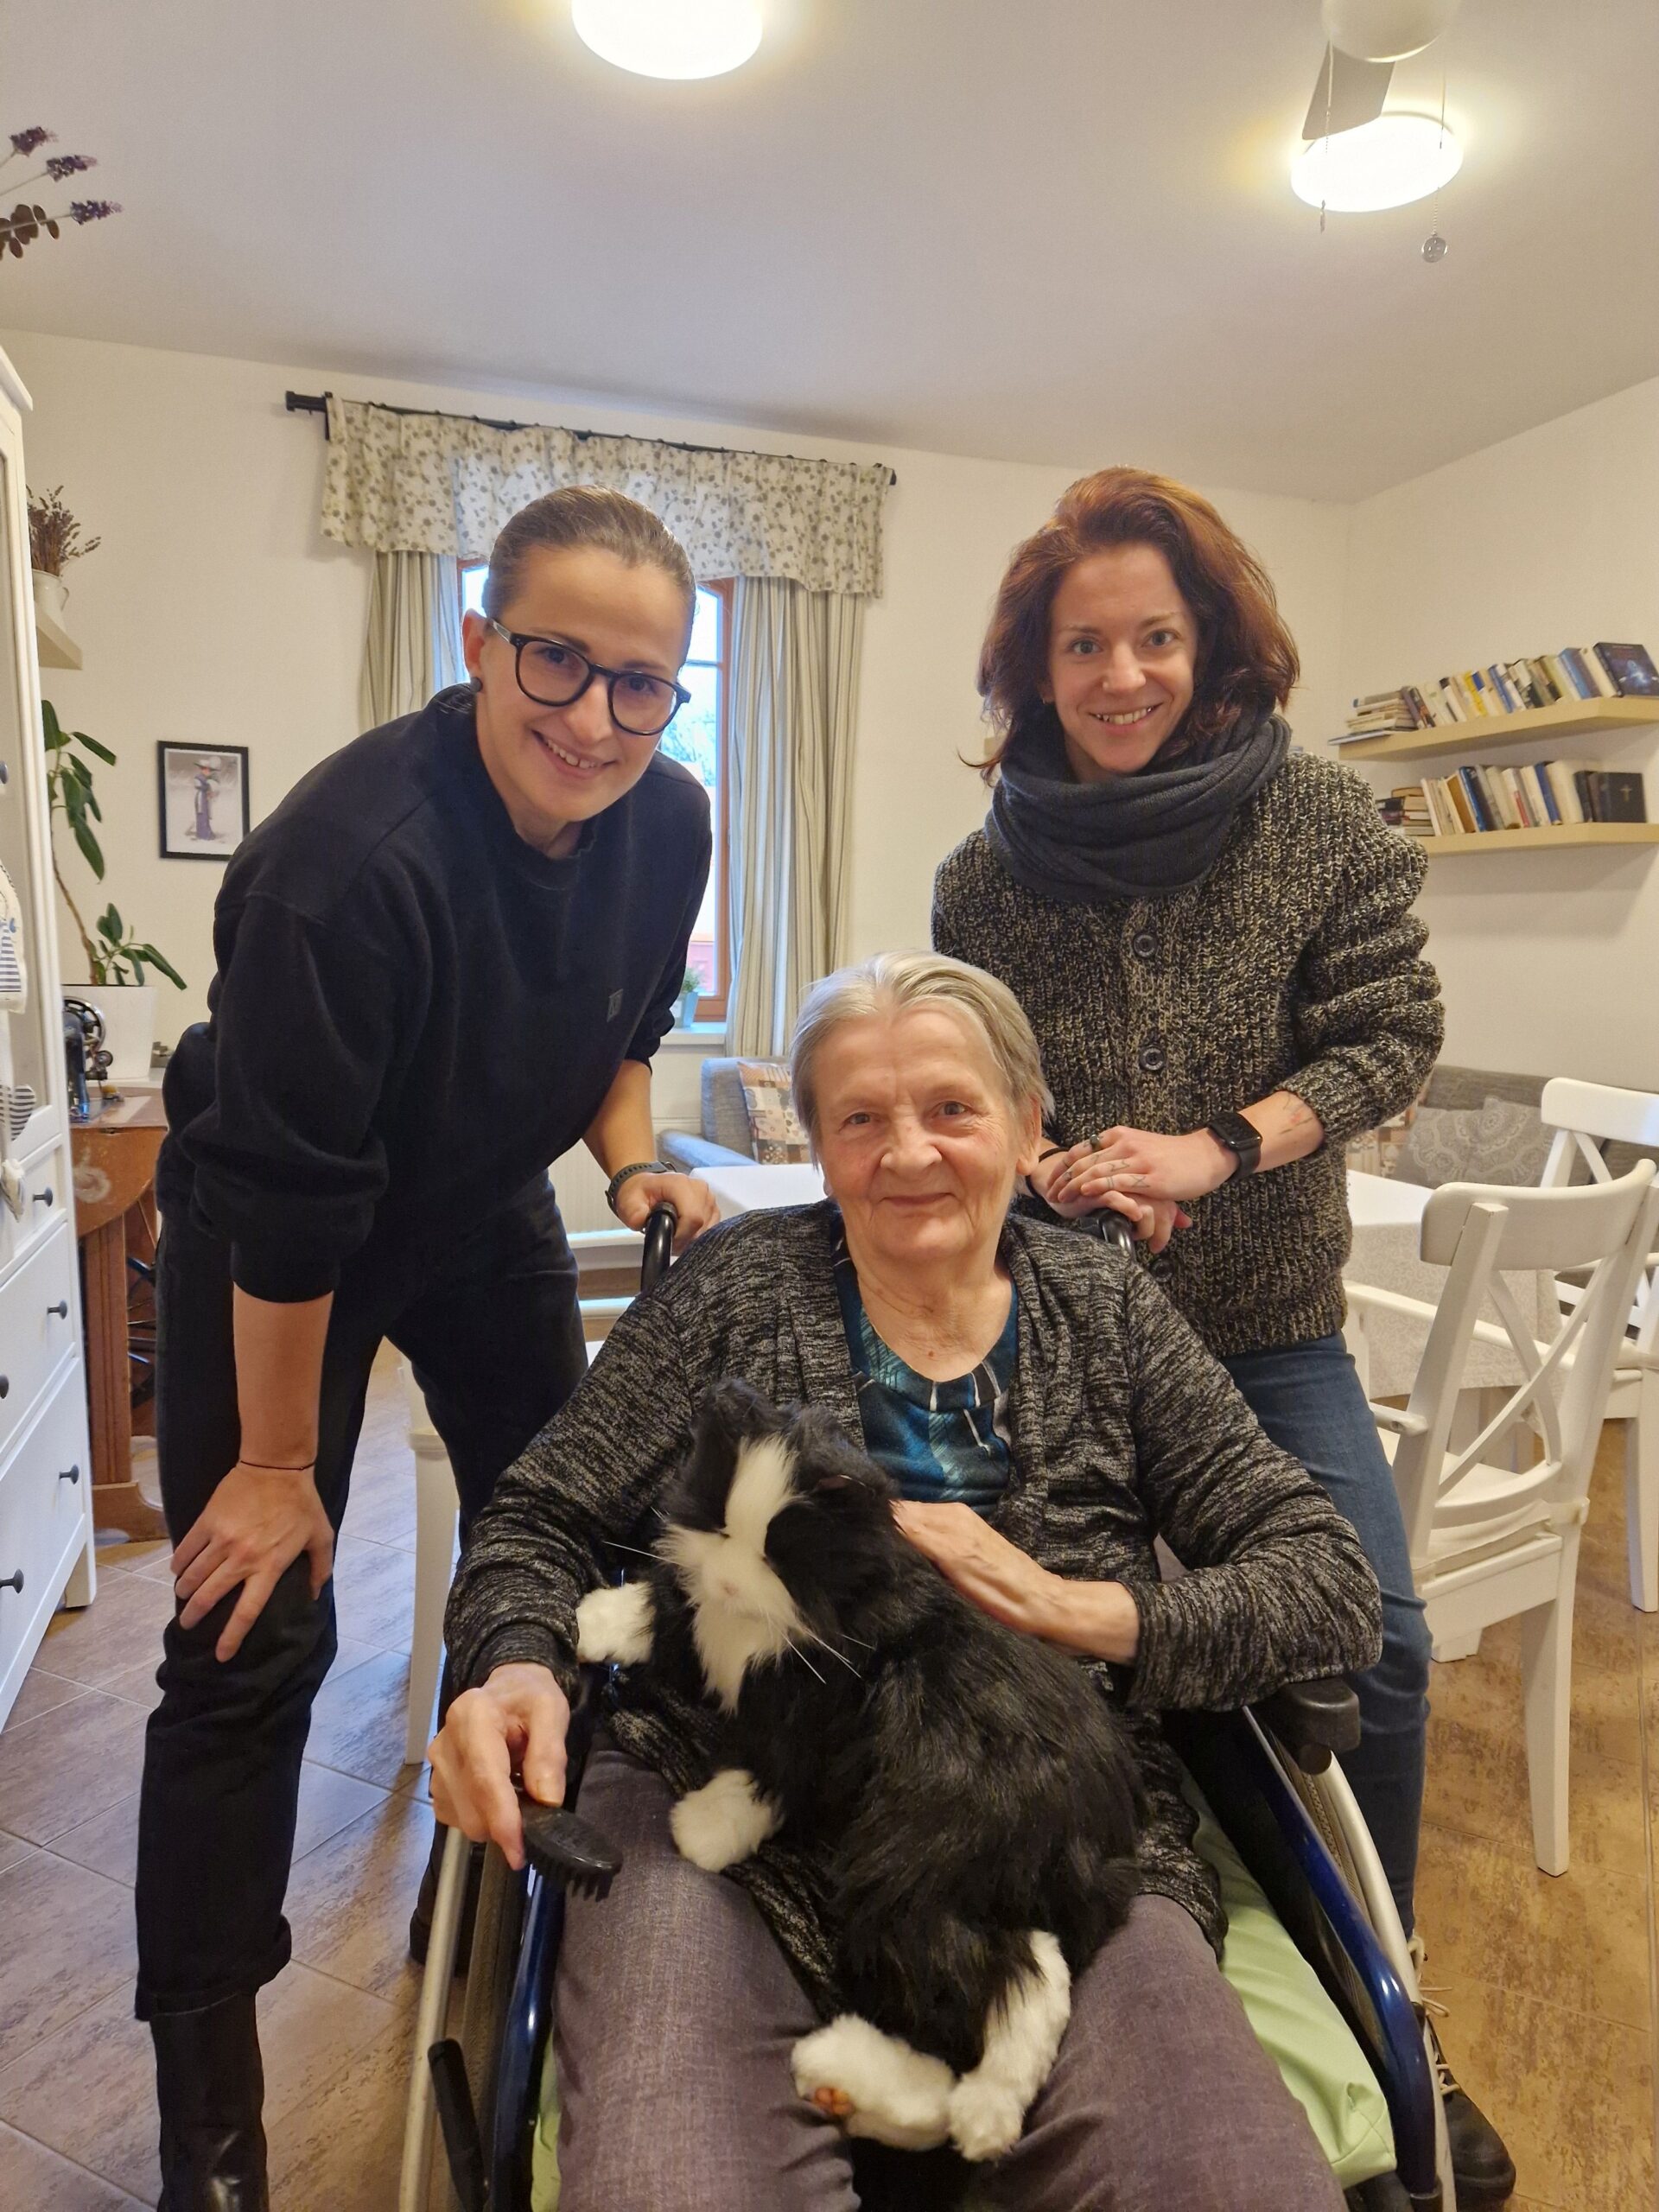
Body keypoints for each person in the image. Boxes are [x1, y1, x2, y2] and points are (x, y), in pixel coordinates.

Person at [433, 951, 1382, 2212]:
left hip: (1030, 1842)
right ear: (819, 1147)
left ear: (1030, 1126)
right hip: (716, 1802)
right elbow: (538, 1516)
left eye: (951, 1109)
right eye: (861, 1120)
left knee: (1223, 2181)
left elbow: (1328, 1582)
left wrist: (1065, 1606)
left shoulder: (1105, 1310)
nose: (908, 1154)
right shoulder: (738, 1288)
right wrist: (514, 1663)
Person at [931, 466, 1512, 2204]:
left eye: (1155, 638)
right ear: (1034, 668)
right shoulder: (984, 876)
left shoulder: (1322, 819)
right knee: (1026, 1647)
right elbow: (993, 1076)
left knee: (1378, 1640)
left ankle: (1387, 1996)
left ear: (1214, 646)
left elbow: (1391, 1037)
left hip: (1265, 1331)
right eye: (1083, 645)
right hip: (1062, 1327)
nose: (1121, 676)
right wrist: (1046, 1155)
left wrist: (1218, 1147)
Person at [137, 486, 721, 2209]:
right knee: (250, 1627)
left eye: (641, 681)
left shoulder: (669, 820)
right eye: (556, 660)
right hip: (277, 1238)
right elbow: (292, 1200)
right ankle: (209, 2127)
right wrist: (270, 1464)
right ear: (478, 642)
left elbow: (620, 1034)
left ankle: (486, 1877)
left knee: (564, 1548)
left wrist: (632, 1159)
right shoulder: (346, 864)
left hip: (480, 1202)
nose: (595, 717)